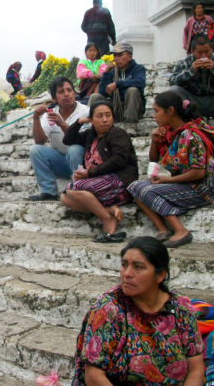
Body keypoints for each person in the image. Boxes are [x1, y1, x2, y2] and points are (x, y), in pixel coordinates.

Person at [73, 236, 205, 385]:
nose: (127, 273)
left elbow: (196, 370)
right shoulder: (109, 310)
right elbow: (94, 377)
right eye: (124, 265)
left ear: (160, 275)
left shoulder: (181, 310)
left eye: (138, 267)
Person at [128, 91, 214, 248]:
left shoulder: (192, 135)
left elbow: (198, 172)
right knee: (134, 187)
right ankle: (163, 229)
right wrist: (154, 142)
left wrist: (167, 180)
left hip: (202, 188)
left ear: (171, 111)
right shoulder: (169, 133)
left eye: (156, 110)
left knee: (147, 191)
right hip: (183, 185)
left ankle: (180, 231)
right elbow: (154, 160)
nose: (154, 116)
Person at [61, 100, 138, 243]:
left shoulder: (118, 133)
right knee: (64, 197)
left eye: (108, 115)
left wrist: (89, 174)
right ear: (92, 120)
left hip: (120, 182)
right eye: (99, 116)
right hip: (100, 185)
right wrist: (79, 122)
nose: (104, 120)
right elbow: (68, 140)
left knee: (73, 188)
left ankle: (107, 219)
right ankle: (108, 209)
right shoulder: (91, 135)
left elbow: (119, 160)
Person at [28, 77, 90, 201]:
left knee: (74, 149)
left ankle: (77, 188)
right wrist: (36, 118)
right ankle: (48, 191)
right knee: (35, 150)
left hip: (82, 162)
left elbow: (81, 141)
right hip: (61, 161)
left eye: (69, 90)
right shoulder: (50, 114)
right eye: (61, 91)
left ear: (74, 93)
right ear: (54, 98)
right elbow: (40, 141)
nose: (66, 94)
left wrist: (61, 123)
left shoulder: (85, 111)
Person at [88, 42, 146, 123]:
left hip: (133, 110)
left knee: (132, 90)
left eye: (120, 55)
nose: (116, 58)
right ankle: (90, 124)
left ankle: (130, 125)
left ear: (129, 57)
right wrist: (106, 72)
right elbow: (103, 92)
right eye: (115, 55)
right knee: (95, 96)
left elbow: (140, 82)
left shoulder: (138, 68)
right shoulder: (112, 72)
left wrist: (117, 84)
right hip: (116, 109)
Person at [169, 35, 214, 118]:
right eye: (199, 53)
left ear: (212, 48)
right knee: (174, 90)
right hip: (192, 101)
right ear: (192, 51)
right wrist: (191, 71)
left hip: (211, 100)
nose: (204, 56)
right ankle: (185, 120)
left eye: (207, 51)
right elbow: (172, 82)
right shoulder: (184, 63)